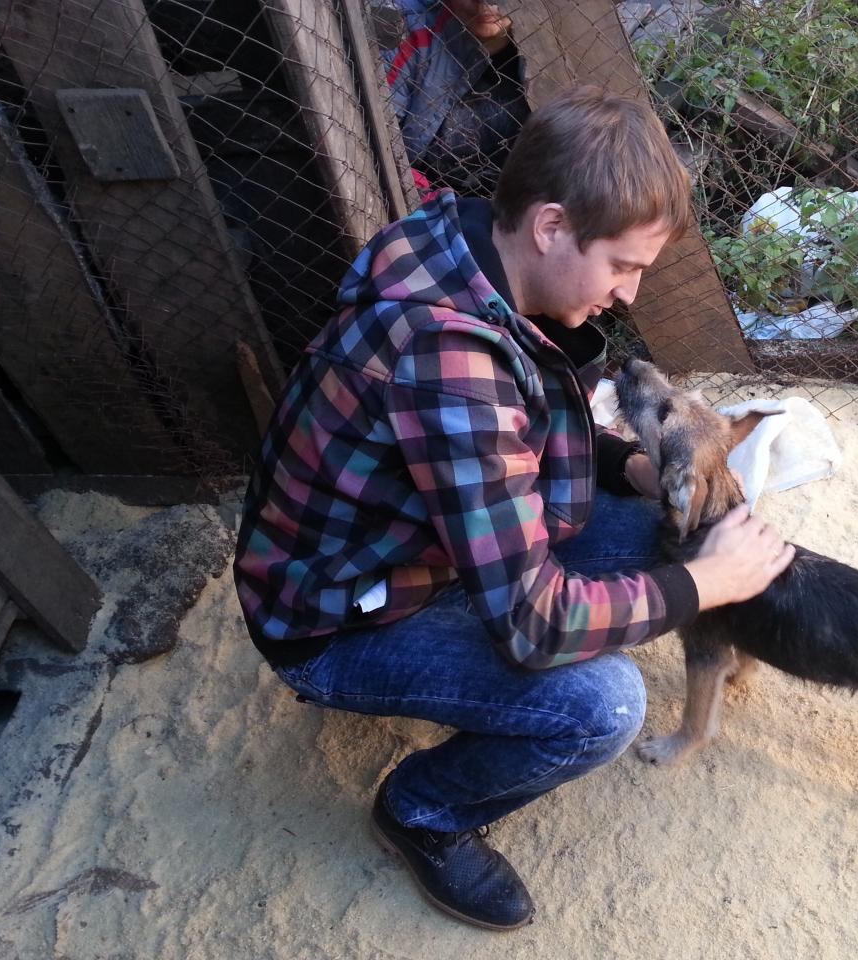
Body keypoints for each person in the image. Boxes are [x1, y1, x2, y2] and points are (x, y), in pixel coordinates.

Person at [233, 86, 795, 932]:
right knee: (601, 707)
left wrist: (634, 469)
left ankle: (519, 624)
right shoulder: (448, 360)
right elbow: (536, 627)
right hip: (333, 621)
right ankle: (423, 813)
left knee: (666, 533)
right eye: (624, 266)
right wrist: (705, 587)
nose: (630, 294)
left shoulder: (464, 249)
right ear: (551, 226)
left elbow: (522, 431)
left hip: (415, 547)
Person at [383, 0, 528, 196]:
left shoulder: (548, 71)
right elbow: (381, 143)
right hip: (411, 187)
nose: (484, 5)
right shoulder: (403, 28)